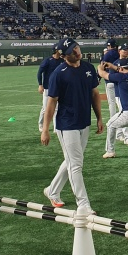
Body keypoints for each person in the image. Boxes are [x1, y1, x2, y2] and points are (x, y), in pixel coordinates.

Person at [41, 38, 103, 213]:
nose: (77, 51)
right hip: (67, 124)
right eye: (72, 50)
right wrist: (45, 129)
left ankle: (52, 190)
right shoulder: (58, 74)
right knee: (76, 164)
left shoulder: (88, 68)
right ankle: (83, 204)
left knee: (72, 161)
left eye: (76, 47)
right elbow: (51, 103)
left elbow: (94, 94)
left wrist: (99, 117)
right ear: (64, 55)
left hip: (85, 122)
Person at [102, 39, 128, 145]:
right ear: (119, 51)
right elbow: (112, 77)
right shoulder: (115, 63)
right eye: (124, 50)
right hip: (119, 92)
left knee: (121, 112)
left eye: (127, 49)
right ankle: (127, 137)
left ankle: (119, 133)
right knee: (123, 112)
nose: (126, 51)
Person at [36, 43, 64, 132]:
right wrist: (40, 85)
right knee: (46, 108)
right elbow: (39, 72)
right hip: (47, 87)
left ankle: (56, 128)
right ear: (56, 50)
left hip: (58, 88)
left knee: (56, 108)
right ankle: (41, 124)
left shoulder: (62, 61)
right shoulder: (48, 60)